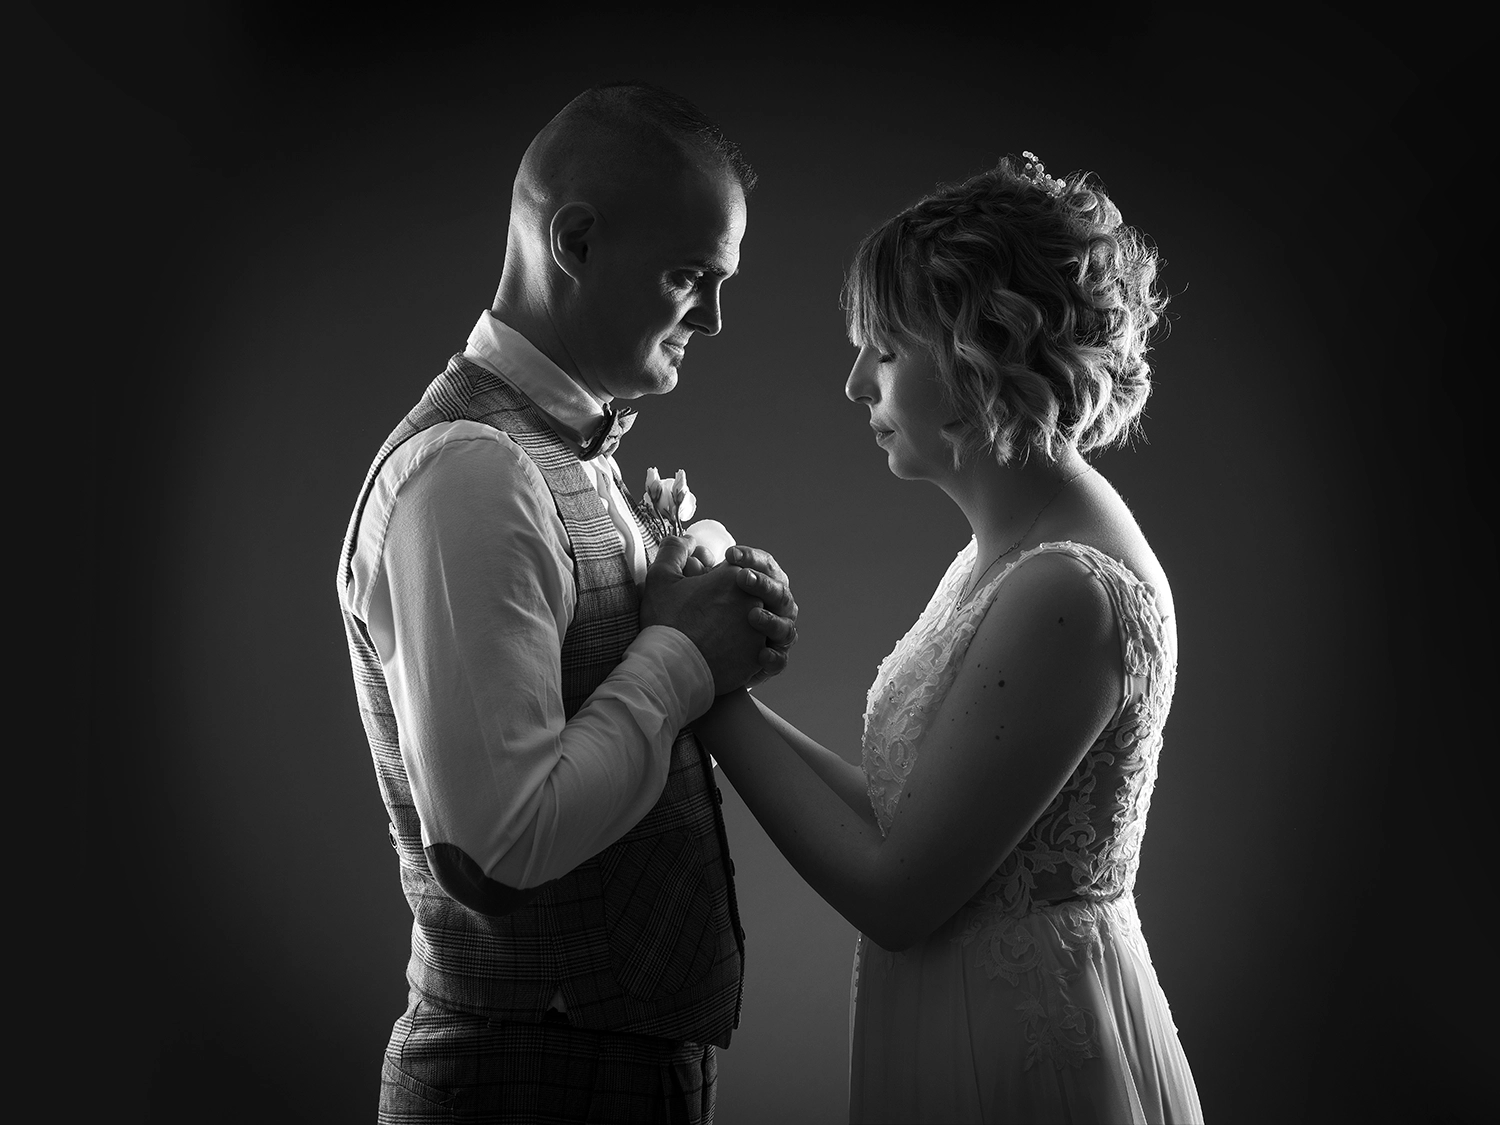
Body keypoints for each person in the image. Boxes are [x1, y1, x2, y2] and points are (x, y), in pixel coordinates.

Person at [687, 153, 1204, 1122]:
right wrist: (727, 691)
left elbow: (899, 894)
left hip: (1020, 1058)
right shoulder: (1007, 550)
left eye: (885, 350)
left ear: (982, 348)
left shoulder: (1069, 593)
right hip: (963, 1019)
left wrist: (703, 689)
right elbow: (905, 817)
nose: (853, 385)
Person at [335, 82, 799, 1123]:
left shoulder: (555, 451)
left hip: (604, 1071)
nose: (715, 320)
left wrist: (705, 581)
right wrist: (683, 657)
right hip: (527, 1085)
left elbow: (605, 665)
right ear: (577, 240)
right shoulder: (470, 474)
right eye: (691, 277)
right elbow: (497, 849)